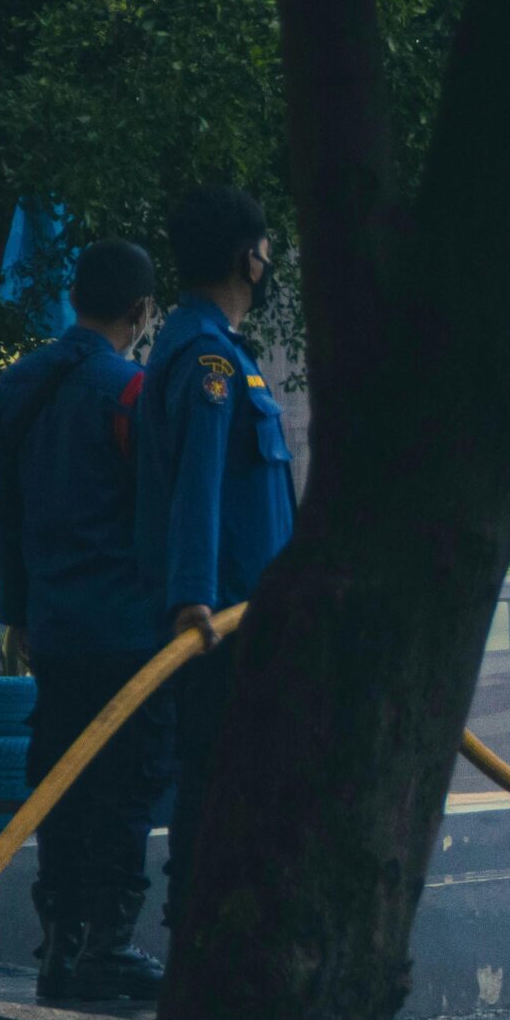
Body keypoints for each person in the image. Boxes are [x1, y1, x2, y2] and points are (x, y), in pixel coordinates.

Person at [0, 238, 170, 1002]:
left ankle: (59, 946)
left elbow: (7, 514)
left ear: (74, 296)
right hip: (127, 633)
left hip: (54, 632)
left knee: (58, 784)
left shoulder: (17, 386)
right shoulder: (130, 391)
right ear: (141, 310)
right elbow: (155, 514)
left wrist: (18, 613)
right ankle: (109, 945)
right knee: (127, 786)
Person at [136, 186, 295, 928]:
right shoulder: (210, 361)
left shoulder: (215, 349)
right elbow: (198, 485)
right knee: (220, 784)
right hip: (221, 621)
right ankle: (205, 935)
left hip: (247, 617)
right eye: (266, 248)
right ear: (247, 259)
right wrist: (193, 596)